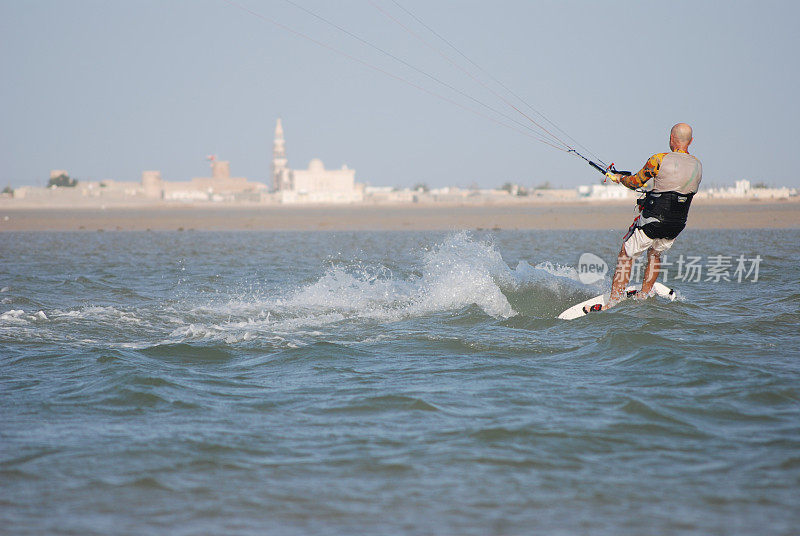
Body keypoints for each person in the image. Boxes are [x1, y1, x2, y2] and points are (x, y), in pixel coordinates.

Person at [586, 123, 702, 313]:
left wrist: (617, 178)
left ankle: (613, 301)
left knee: (626, 254)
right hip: (677, 223)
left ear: (671, 138)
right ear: (691, 141)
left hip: (654, 220)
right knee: (655, 254)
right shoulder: (698, 165)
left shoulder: (659, 159)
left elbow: (635, 182)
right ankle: (644, 293)